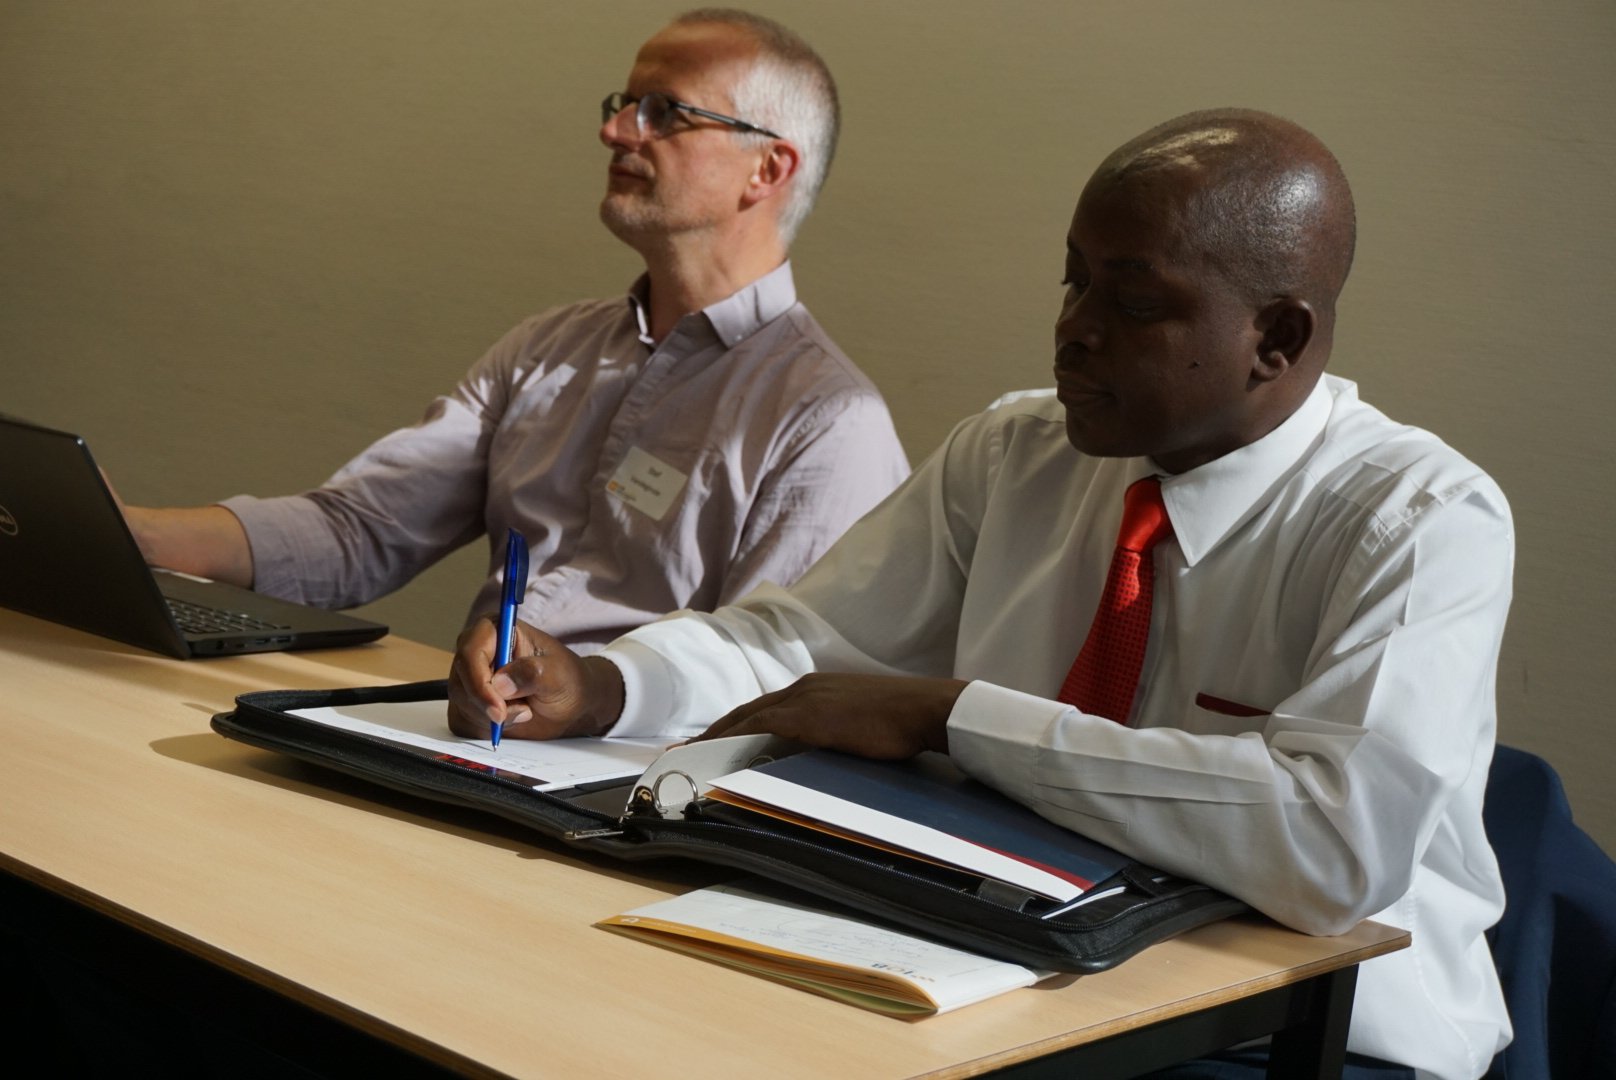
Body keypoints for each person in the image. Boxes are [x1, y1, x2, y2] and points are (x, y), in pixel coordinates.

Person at [448, 109, 1514, 1079]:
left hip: (1299, 1031)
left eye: (1133, 303)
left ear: (1273, 341)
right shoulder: (1017, 451)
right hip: (1007, 967)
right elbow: (808, 644)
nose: (1073, 328)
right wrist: (605, 684)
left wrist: (954, 719)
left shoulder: (1418, 519)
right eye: (1072, 280)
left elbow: (1332, 845)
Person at [119, 8, 908, 651]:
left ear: (766, 170)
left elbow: (770, 685)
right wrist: (130, 535)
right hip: (469, 745)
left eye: (664, 112)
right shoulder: (547, 350)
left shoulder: (828, 423)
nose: (616, 132)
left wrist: (591, 706)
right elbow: (358, 532)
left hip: (622, 805)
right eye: (622, 105)